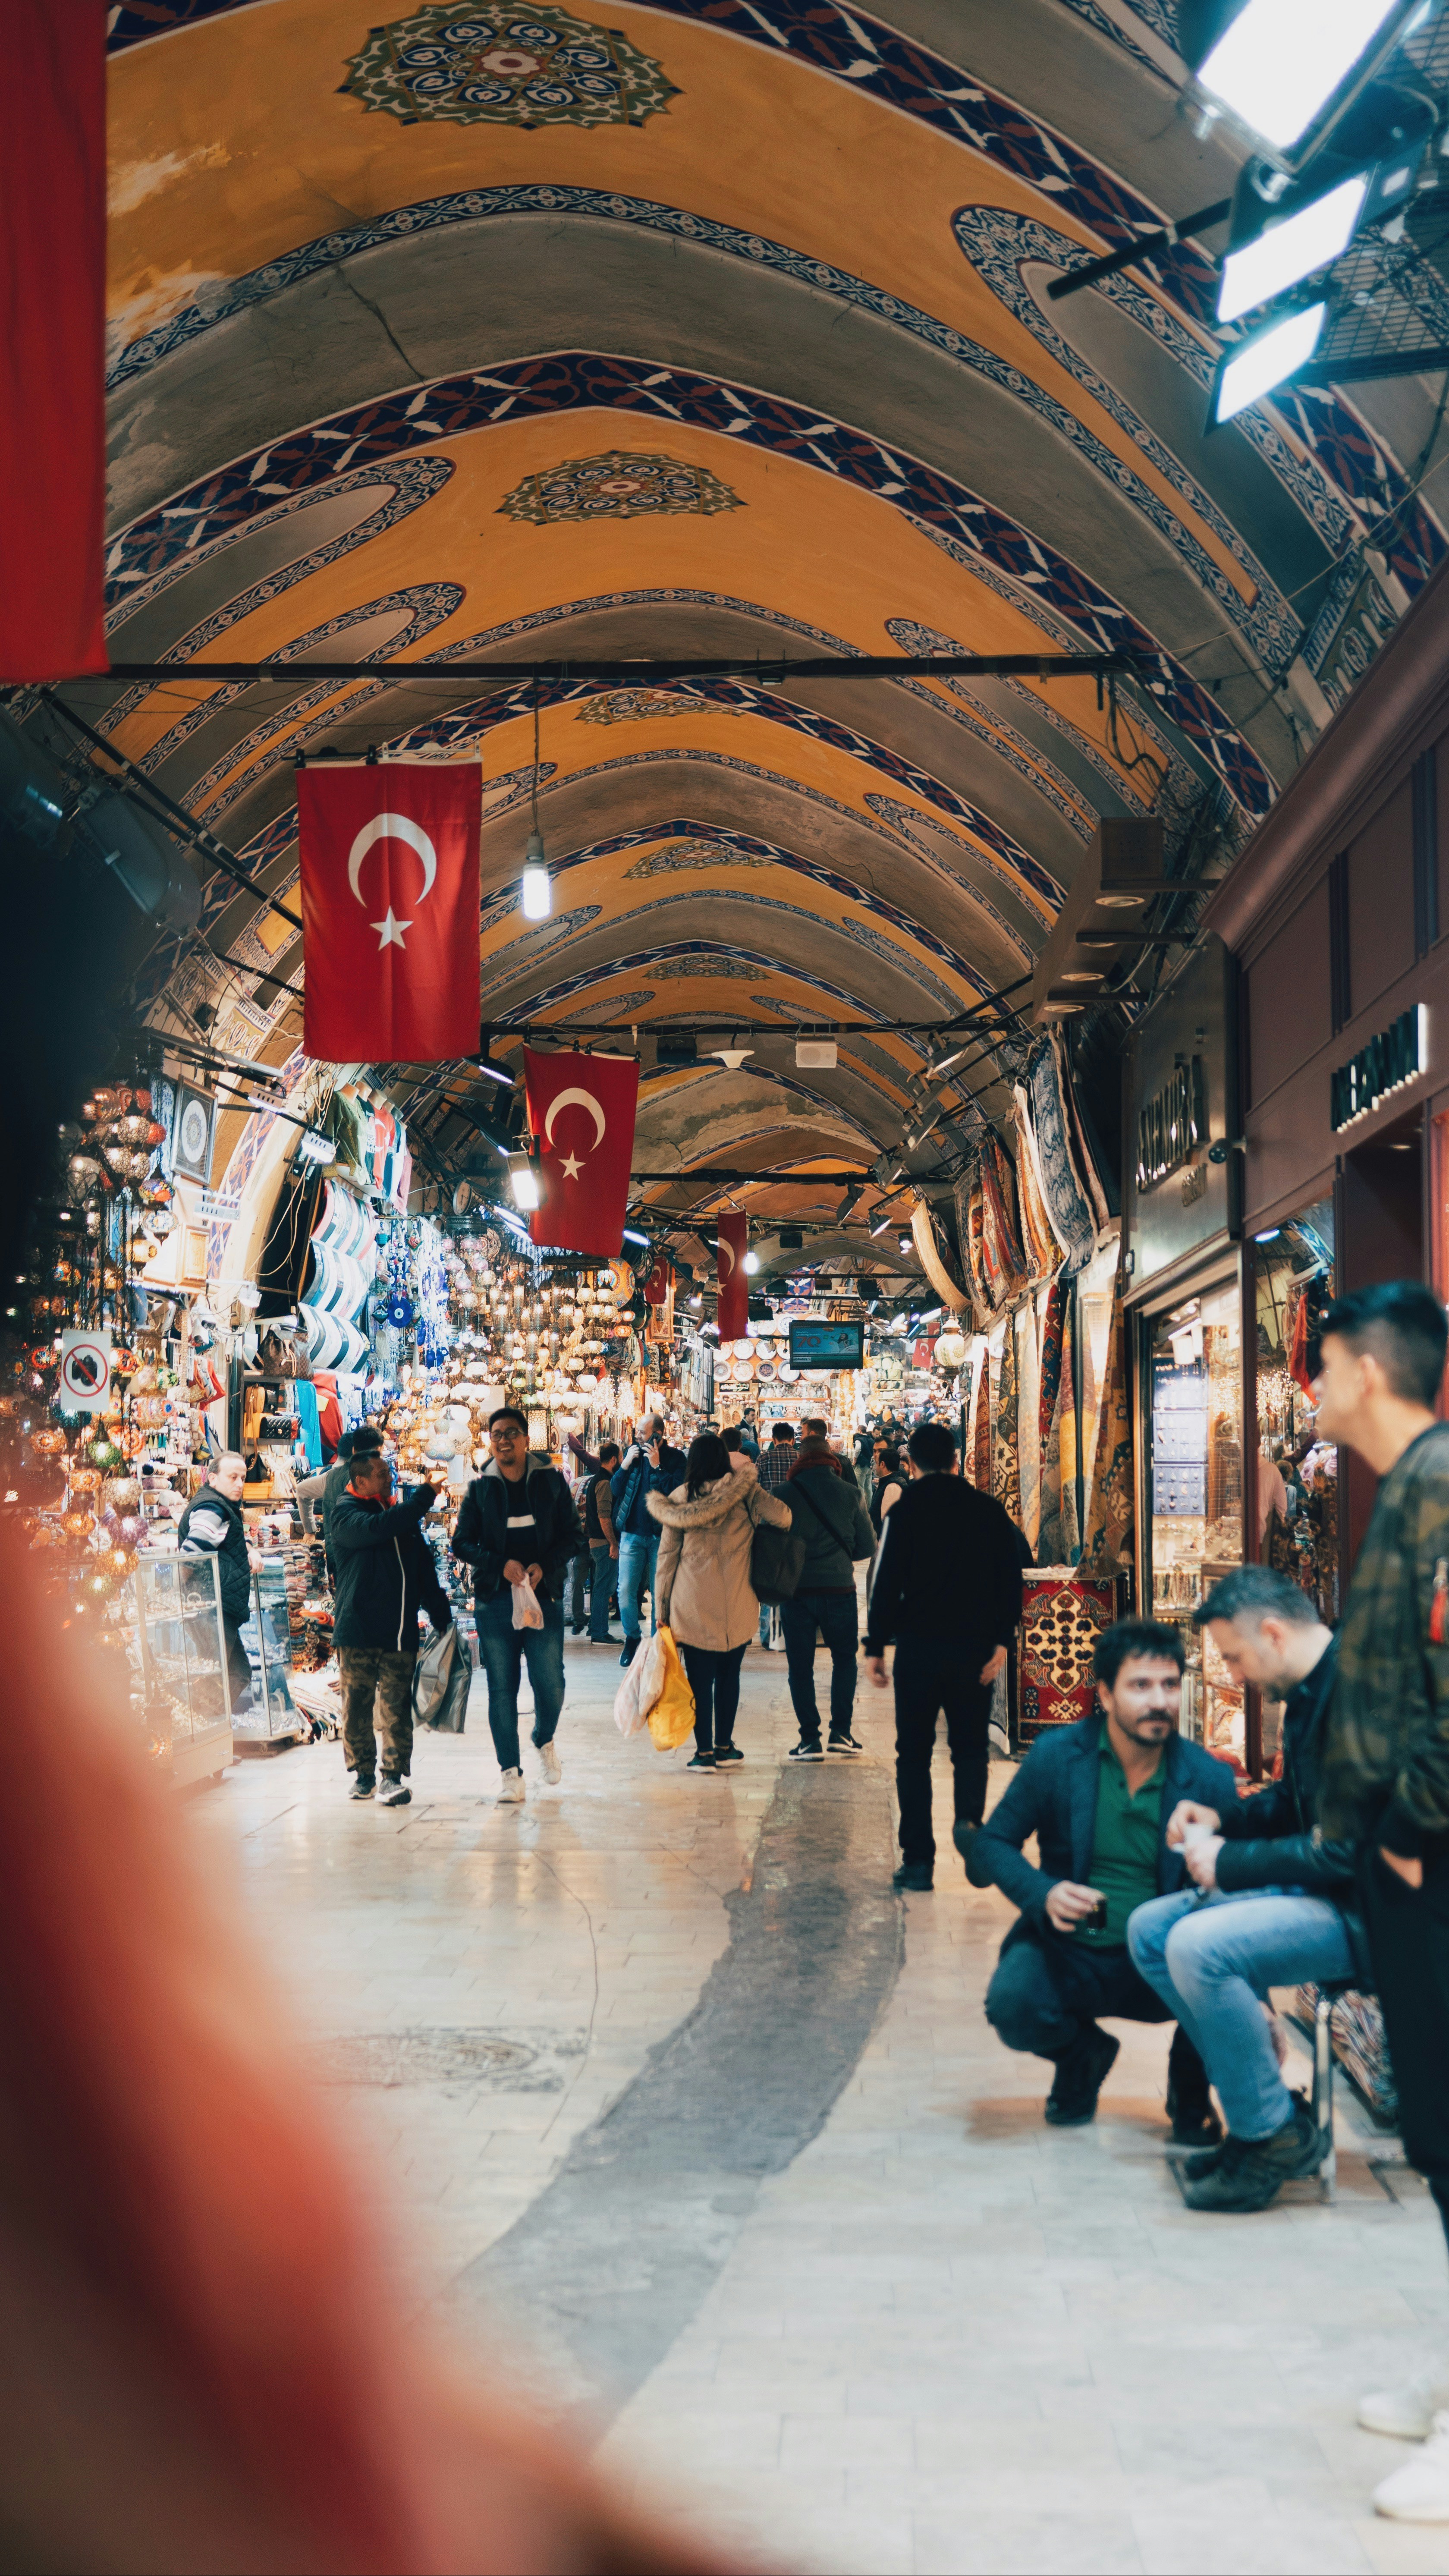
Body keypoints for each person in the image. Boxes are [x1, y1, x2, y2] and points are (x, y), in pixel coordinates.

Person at [1307, 1282, 1449, 2521]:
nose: (1309, 1387)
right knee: (1435, 2131)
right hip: (1399, 1862)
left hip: (1431, 1862)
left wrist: (1408, 1827)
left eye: (1318, 1365)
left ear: (1361, 1368)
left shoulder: (1438, 1485)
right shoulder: (1405, 1487)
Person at [1126, 1566, 1359, 2207]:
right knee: (1150, 1930)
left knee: (1198, 1946)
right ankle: (1270, 2112)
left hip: (1371, 1909)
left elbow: (1343, 1850)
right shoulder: (1311, 1689)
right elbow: (1291, 1801)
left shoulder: (1355, 1695)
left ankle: (1263, 2132)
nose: (1231, 1672)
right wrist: (1222, 1817)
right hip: (1321, 1890)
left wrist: (1227, 1862)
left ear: (1274, 1633)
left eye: (1234, 1654)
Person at [967, 1619, 1232, 2135]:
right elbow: (992, 1842)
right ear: (1105, 1694)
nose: (1159, 1701)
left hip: (1164, 1959)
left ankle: (1189, 2087)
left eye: (1169, 1684)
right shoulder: (1057, 1757)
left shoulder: (1207, 1777)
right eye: (1140, 1686)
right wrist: (1042, 1893)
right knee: (1013, 2005)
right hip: (1071, 1946)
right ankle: (1082, 2056)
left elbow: (1233, 1896)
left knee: (1229, 1989)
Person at [864, 1421, 1022, 1892]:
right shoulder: (988, 1510)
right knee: (969, 1747)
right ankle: (970, 1828)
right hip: (973, 1648)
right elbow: (1010, 1577)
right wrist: (1001, 1641)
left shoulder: (905, 1509)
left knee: (911, 1753)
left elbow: (885, 1579)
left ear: (910, 1463)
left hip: (919, 1649)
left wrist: (875, 1645)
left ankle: (917, 1863)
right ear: (956, 1460)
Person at [452, 1407, 582, 1804]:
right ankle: (510, 1773)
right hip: (495, 1601)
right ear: (490, 1441)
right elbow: (462, 1543)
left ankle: (543, 1737)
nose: (503, 1440)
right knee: (501, 1689)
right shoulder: (481, 1488)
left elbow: (573, 1537)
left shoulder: (551, 1485)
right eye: (496, 1434)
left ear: (527, 1439)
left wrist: (546, 1566)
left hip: (543, 1598)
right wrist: (498, 1564)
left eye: (511, 1433)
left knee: (550, 1682)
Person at [648, 1431, 791, 1769]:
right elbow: (784, 1517)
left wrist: (661, 1610)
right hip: (738, 1600)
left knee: (699, 1680)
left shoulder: (678, 1498)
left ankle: (704, 1753)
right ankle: (725, 1746)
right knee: (730, 1676)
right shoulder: (745, 1493)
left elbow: (667, 1559)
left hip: (691, 1602)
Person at [330, 1451, 451, 1807]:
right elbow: (376, 1530)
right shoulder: (346, 1513)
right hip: (358, 1631)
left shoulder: (397, 1515)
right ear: (361, 1480)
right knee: (357, 1705)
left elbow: (423, 1570)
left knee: (397, 1707)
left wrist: (441, 1614)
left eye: (390, 1472)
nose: (390, 1478)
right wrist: (425, 1495)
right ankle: (364, 1774)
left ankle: (392, 1778)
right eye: (382, 1474)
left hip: (400, 1630)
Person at [780, 1437, 877, 1760]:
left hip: (796, 1591)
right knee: (844, 1659)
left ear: (800, 1459)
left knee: (800, 1666)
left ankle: (809, 1738)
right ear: (832, 1460)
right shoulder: (851, 1493)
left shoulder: (783, 1494)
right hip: (839, 1589)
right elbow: (867, 1546)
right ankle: (841, 1732)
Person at [178, 1449, 258, 1714]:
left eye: (243, 1478)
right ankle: (200, 1735)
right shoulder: (213, 1507)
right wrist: (182, 1593)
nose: (239, 1484)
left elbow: (223, 1539)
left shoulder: (221, 1506)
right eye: (232, 1477)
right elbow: (191, 1553)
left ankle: (207, 1738)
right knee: (220, 1675)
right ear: (212, 1479)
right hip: (211, 1608)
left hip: (216, 1606)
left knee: (235, 1673)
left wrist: (248, 1547)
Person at [610, 1413, 686, 1667]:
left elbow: (677, 1493)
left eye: (643, 1433)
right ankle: (632, 1638)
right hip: (632, 1533)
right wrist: (623, 1466)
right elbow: (614, 1490)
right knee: (625, 1591)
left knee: (659, 1594)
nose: (638, 1437)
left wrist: (657, 1467)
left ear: (658, 1434)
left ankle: (656, 1644)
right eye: (638, 1432)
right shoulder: (632, 1454)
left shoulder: (676, 1458)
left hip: (662, 1536)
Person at [572, 1439, 621, 1642]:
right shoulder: (604, 1482)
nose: (622, 1461)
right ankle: (600, 1632)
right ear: (613, 1460)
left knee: (602, 1586)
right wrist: (613, 1543)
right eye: (621, 1458)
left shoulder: (596, 1480)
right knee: (603, 1588)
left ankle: (595, 1627)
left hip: (597, 1542)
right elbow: (604, 1516)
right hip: (603, 1543)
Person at [756, 1422, 797, 1648]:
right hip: (795, 1523)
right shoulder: (800, 1459)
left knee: (769, 1578)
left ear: (773, 1439)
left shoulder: (763, 1459)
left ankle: (767, 1634)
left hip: (769, 1524)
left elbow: (755, 1492)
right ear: (792, 1439)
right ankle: (792, 1630)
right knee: (793, 1573)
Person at [802, 1416, 860, 1490]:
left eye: (803, 1433)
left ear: (812, 1434)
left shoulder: (805, 1461)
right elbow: (854, 1492)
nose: (801, 1438)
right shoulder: (843, 1461)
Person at [869, 1443, 904, 1535]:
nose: (876, 1467)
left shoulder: (892, 1487)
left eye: (877, 1463)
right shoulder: (890, 1482)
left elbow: (888, 1523)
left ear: (883, 1464)